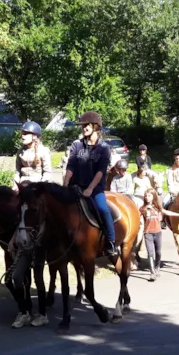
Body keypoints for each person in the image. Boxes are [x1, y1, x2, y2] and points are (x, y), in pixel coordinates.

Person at [63, 111, 119, 261]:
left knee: (103, 209)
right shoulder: (77, 145)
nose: (84, 128)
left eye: (86, 125)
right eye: (82, 126)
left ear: (95, 126)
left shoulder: (104, 148)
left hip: (95, 189)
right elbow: (71, 166)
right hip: (76, 186)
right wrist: (66, 183)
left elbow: (101, 171)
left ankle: (111, 241)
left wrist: (90, 189)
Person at [140, 188, 179, 282]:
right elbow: (138, 217)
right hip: (148, 233)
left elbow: (167, 212)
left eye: (149, 196)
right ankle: (152, 273)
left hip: (158, 233)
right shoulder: (142, 208)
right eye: (146, 196)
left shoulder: (157, 207)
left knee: (158, 252)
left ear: (153, 197)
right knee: (150, 253)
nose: (147, 197)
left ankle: (157, 267)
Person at [13, 121, 53, 189]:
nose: (22, 136)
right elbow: (17, 171)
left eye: (26, 133)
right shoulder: (20, 152)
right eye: (22, 133)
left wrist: (41, 188)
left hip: (37, 186)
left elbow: (47, 173)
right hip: (22, 185)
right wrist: (15, 185)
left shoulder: (43, 151)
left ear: (34, 136)